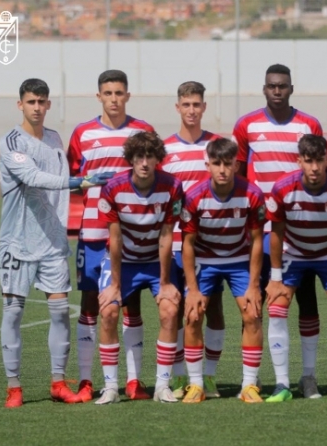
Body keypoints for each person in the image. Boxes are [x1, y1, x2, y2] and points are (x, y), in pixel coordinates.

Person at [0, 78, 111, 408]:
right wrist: (76, 182)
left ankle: (58, 382)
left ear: (48, 105)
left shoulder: (55, 139)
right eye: (31, 101)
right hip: (17, 242)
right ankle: (14, 387)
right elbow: (33, 177)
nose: (36, 107)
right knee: (12, 313)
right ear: (20, 104)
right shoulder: (11, 141)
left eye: (42, 102)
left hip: (51, 241)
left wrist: (81, 184)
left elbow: (57, 185)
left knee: (61, 313)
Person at [233, 64, 325, 399]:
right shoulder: (246, 124)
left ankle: (309, 376)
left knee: (308, 302)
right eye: (271, 85)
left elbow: (318, 168)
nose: (277, 91)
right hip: (262, 230)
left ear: (291, 88)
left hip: (302, 229)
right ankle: (258, 379)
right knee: (260, 303)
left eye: (282, 86)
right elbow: (240, 174)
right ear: (264, 88)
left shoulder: (309, 124)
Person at [68, 70, 155, 402]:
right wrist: (90, 184)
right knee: (91, 304)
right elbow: (73, 180)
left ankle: (133, 381)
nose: (114, 99)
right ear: (99, 96)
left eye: (119, 93)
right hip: (91, 233)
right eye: (108, 93)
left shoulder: (142, 131)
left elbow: (151, 175)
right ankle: (87, 380)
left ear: (128, 96)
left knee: (130, 304)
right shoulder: (83, 133)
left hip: (132, 234)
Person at [265, 134, 327, 403]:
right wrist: (275, 278)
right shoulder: (282, 188)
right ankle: (282, 384)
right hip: (294, 255)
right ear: (299, 161)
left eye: (319, 161)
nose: (315, 168)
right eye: (308, 161)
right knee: (277, 306)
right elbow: (276, 234)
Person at [95, 130, 183, 404]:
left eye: (150, 156)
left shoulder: (172, 186)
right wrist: (116, 285)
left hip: (156, 262)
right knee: (108, 312)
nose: (145, 162)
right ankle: (110, 387)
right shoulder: (113, 188)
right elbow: (115, 238)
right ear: (130, 159)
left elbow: (167, 235)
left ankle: (162, 386)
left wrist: (166, 282)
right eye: (139, 156)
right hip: (124, 261)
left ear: (159, 159)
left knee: (169, 310)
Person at [180, 138, 266, 403]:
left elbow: (257, 240)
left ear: (236, 165)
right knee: (193, 315)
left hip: (239, 259)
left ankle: (249, 386)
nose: (222, 170)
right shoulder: (194, 196)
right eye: (216, 163)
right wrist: (192, 290)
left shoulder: (252, 193)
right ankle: (196, 385)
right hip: (205, 260)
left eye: (227, 164)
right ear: (207, 165)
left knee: (252, 314)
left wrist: (253, 285)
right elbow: (188, 244)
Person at [161, 81, 226, 400]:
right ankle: (176, 377)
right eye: (185, 104)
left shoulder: (217, 146)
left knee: (211, 310)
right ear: (178, 107)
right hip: (173, 245)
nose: (191, 110)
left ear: (204, 107)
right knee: (175, 313)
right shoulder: (166, 150)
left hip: (211, 247)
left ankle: (208, 377)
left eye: (196, 104)